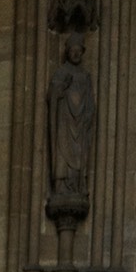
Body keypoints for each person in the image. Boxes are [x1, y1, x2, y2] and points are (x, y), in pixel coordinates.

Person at [47, 34, 95, 199]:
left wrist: (87, 117)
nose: (75, 53)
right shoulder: (61, 73)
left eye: (78, 50)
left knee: (79, 155)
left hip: (80, 125)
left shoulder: (85, 76)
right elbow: (52, 96)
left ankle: (76, 186)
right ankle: (61, 187)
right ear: (67, 52)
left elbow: (89, 103)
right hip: (64, 124)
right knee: (63, 155)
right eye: (73, 50)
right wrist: (61, 89)